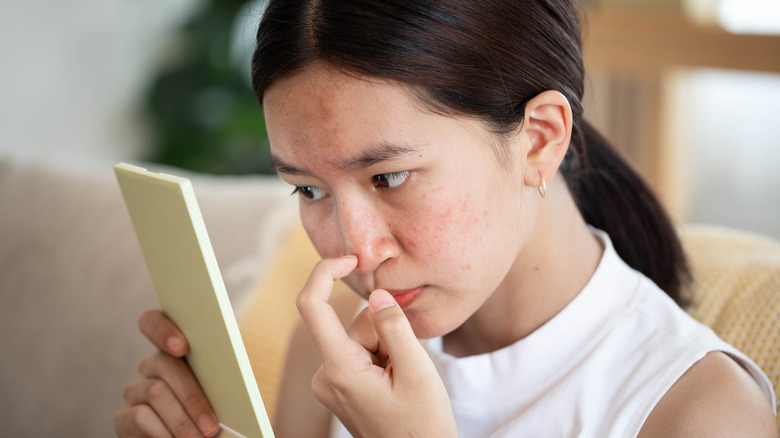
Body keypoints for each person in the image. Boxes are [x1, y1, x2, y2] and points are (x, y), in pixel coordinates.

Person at [115, 0, 778, 437]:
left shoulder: (700, 413)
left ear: (540, 139)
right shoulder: (332, 356)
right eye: (309, 190)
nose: (356, 250)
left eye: (390, 177)